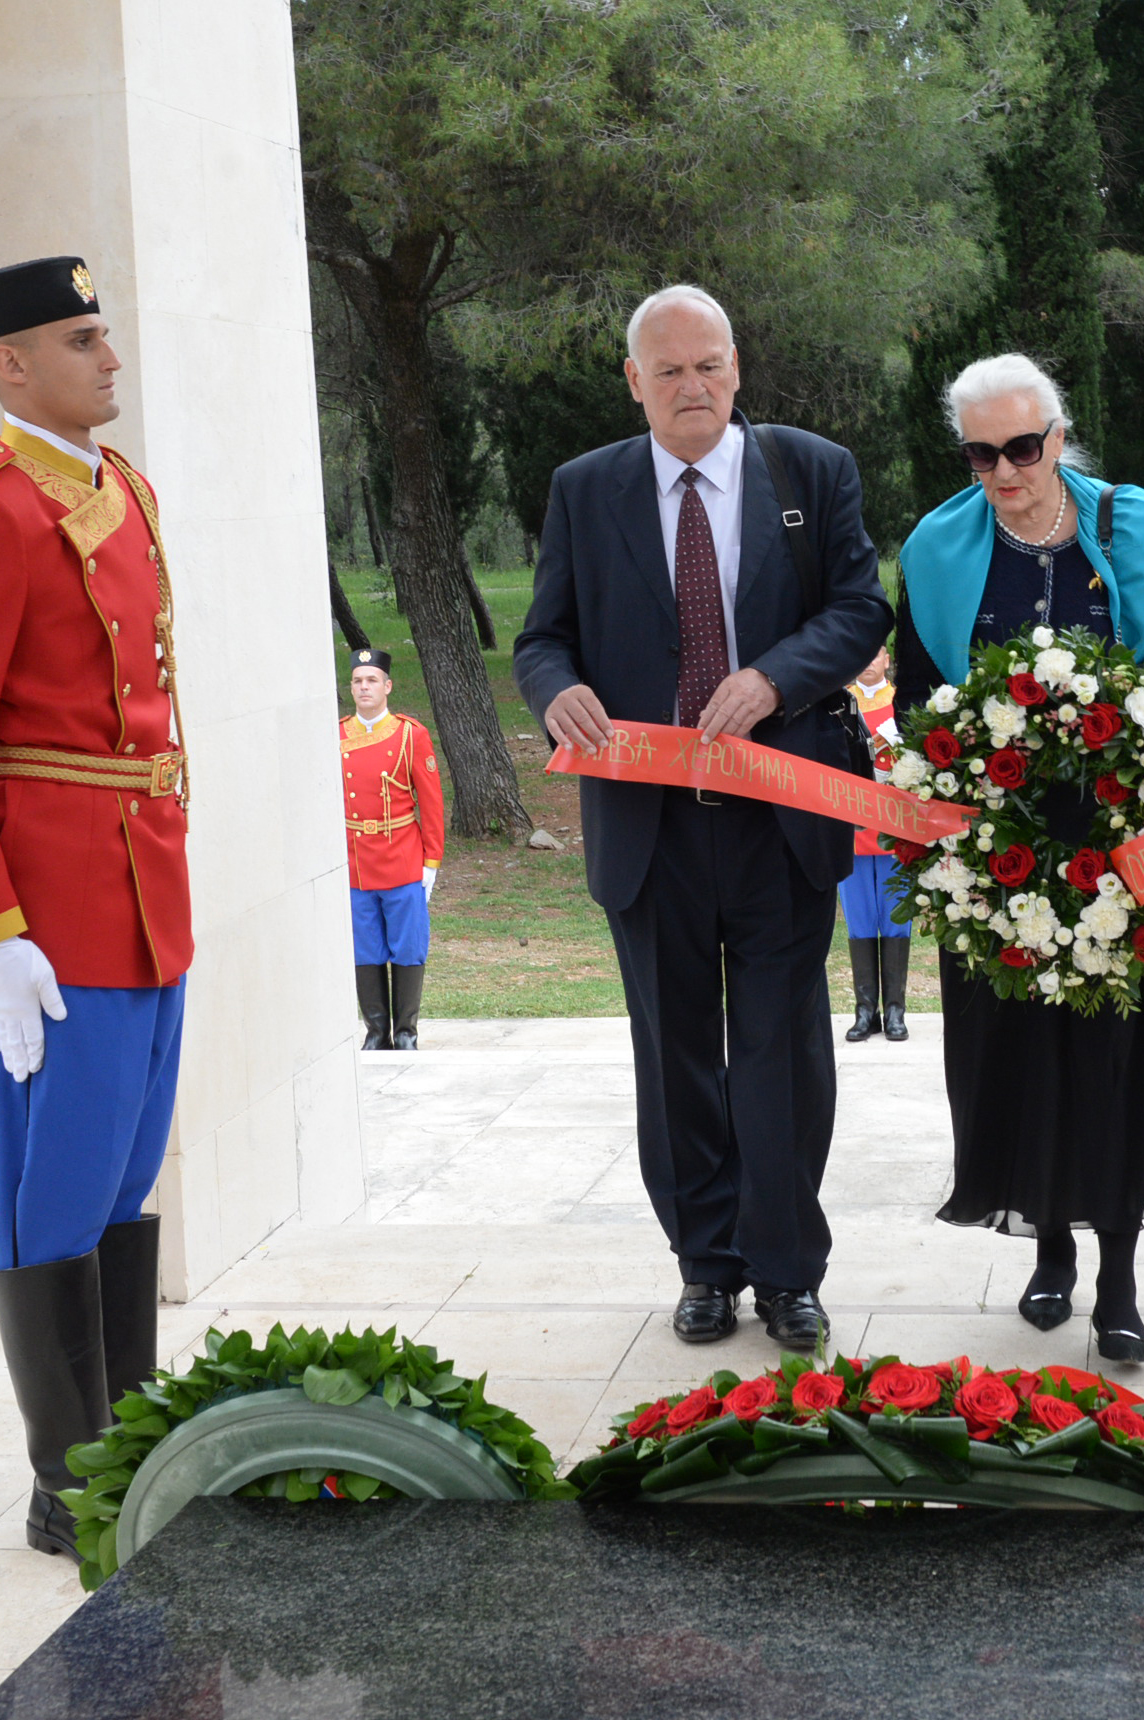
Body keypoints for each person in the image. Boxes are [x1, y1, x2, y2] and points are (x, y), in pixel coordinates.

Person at [514, 285, 890, 1352]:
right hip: (648, 824)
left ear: (738, 367)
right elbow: (543, 636)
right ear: (634, 382)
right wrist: (554, 691)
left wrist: (773, 679)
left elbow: (860, 610)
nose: (695, 387)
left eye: (711, 365)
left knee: (780, 1049)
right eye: (670, 370)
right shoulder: (584, 490)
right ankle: (705, 1265)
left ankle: (785, 1270)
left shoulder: (809, 471)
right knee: (673, 1049)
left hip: (780, 816)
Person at [0, 256, 187, 1559]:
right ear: (9, 365)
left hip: (145, 891)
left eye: (104, 333)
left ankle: (127, 1444)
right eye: (81, 340)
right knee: (50, 1200)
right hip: (52, 916)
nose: (109, 357)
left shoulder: (120, 488)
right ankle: (66, 1485)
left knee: (124, 1187)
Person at [894, 353, 1144, 1365]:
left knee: (1112, 1059)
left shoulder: (1136, 527)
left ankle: (1116, 1276)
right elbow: (911, 696)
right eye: (981, 454)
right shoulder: (940, 549)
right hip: (996, 853)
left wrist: (1114, 733)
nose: (1004, 472)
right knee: (1014, 1057)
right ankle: (1048, 1251)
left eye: (1021, 448)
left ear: (1057, 438)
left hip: (1117, 844)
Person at [341, 648, 445, 1050]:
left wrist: (431, 861)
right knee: (364, 946)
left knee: (407, 945)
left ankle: (405, 1032)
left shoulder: (410, 734)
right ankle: (375, 1031)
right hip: (356, 862)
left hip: (401, 856)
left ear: (387, 686)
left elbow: (431, 803)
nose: (364, 688)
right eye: (357, 681)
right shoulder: (336, 735)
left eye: (371, 681)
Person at [839, 645, 910, 1043]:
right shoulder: (841, 705)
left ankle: (896, 1010)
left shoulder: (905, 703)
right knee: (860, 919)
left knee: (896, 919)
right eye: (859, 653)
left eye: (875, 653)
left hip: (895, 831)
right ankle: (866, 1010)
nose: (867, 661)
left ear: (887, 659)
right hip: (850, 828)